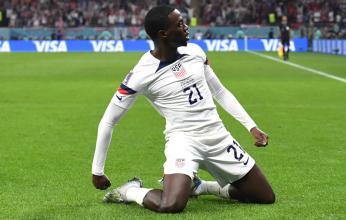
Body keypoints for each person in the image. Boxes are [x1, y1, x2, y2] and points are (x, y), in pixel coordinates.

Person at [91, 5, 275, 213]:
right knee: (171, 205)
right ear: (163, 34)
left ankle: (202, 186)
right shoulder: (141, 74)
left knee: (264, 196)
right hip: (184, 142)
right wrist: (97, 170)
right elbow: (109, 120)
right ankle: (130, 191)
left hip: (218, 137)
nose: (186, 27)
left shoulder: (195, 51)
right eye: (179, 24)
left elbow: (220, 92)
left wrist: (251, 127)